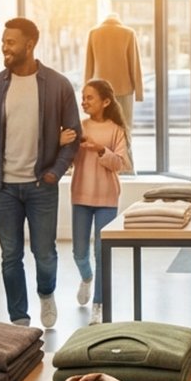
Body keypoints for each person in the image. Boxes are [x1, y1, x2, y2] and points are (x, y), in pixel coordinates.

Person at [0, 17, 81, 329]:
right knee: (10, 256)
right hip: (3, 187)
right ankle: (19, 317)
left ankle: (46, 293)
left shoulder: (57, 85)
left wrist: (55, 172)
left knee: (44, 254)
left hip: (42, 185)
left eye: (11, 42)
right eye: (3, 41)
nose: (4, 47)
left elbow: (74, 135)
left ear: (29, 45)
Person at [62, 78, 131, 325]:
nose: (84, 101)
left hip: (107, 198)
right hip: (81, 195)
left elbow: (119, 164)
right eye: (83, 97)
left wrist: (100, 149)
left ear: (106, 101)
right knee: (79, 253)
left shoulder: (116, 130)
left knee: (102, 253)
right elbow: (67, 160)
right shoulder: (78, 128)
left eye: (89, 97)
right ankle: (86, 277)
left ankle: (99, 304)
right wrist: (62, 143)